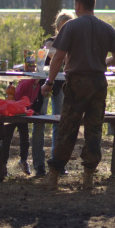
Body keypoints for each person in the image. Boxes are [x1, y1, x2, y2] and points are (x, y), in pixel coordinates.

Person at [41, 0, 115, 190]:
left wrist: (49, 82)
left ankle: (53, 175)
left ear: (78, 5)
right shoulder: (108, 28)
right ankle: (88, 177)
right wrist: (100, 61)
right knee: (94, 129)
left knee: (68, 128)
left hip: (76, 83)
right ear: (93, 5)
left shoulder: (70, 26)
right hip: (98, 84)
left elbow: (58, 57)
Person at [32, 12, 75, 177]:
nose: (65, 29)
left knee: (60, 122)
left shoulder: (73, 45)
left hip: (62, 85)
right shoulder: (51, 42)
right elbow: (52, 54)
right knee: (39, 122)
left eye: (69, 25)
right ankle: (39, 166)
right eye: (62, 26)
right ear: (57, 28)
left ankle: (57, 163)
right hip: (45, 84)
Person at [0, 77, 39, 176]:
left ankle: (23, 160)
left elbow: (30, 102)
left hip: (22, 114)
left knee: (25, 138)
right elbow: (15, 97)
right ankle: (2, 164)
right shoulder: (25, 83)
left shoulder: (37, 86)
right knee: (6, 139)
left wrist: (30, 110)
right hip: (11, 113)